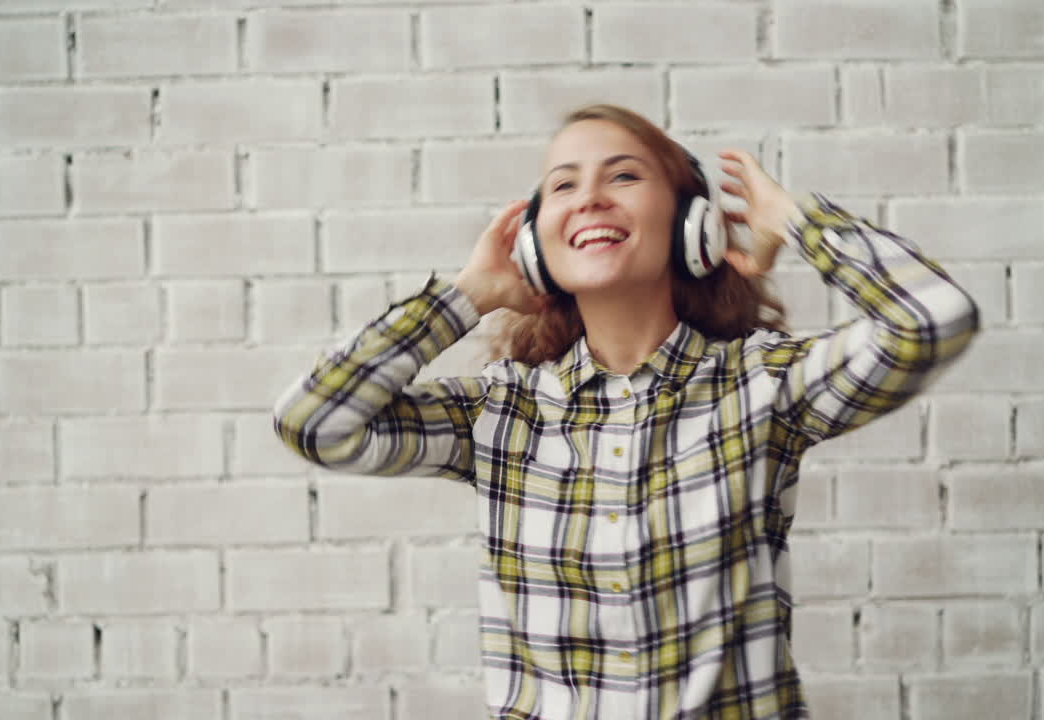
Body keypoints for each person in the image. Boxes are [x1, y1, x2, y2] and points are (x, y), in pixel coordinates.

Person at [273, 104, 980, 719]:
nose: (589, 198)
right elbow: (313, 422)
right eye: (563, 185)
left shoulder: (764, 386)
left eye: (623, 176)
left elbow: (933, 319)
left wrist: (794, 222)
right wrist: (465, 296)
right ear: (533, 244)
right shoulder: (498, 412)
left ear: (691, 224)